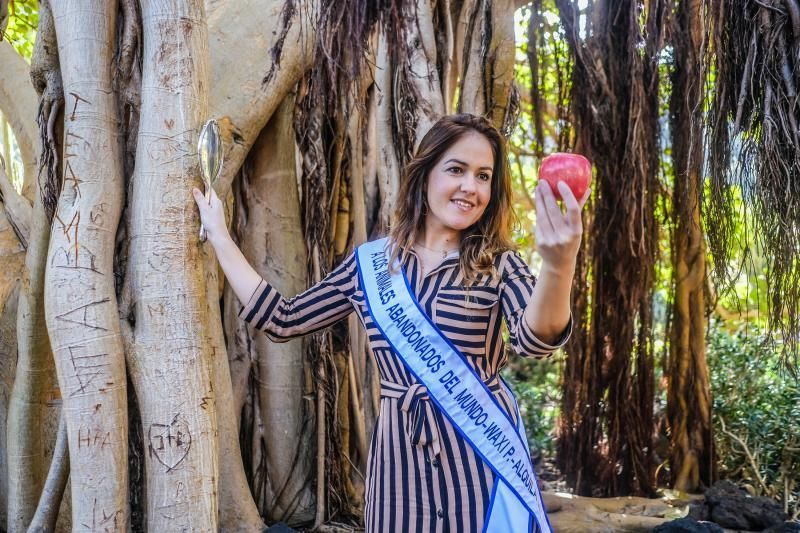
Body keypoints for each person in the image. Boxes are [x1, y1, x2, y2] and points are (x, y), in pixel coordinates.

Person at [193, 113, 589, 532]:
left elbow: (535, 340)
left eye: (484, 176)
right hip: (399, 459)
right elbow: (283, 318)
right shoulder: (371, 264)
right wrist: (219, 235)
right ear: (425, 174)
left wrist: (559, 266)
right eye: (456, 170)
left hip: (480, 454)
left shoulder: (499, 265)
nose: (470, 187)